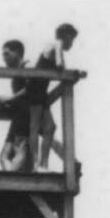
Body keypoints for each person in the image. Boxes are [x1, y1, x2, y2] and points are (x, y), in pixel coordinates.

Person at [28, 23, 79, 170]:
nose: (72, 43)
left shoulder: (57, 46)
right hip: (36, 88)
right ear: (65, 36)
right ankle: (36, 163)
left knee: (50, 127)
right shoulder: (56, 44)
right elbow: (59, 65)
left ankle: (43, 163)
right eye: (71, 39)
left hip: (41, 89)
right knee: (35, 125)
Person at [0, 39, 30, 172]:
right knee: (3, 157)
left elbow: (33, 88)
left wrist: (9, 98)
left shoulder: (27, 66)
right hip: (18, 116)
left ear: (17, 53)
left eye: (6, 54)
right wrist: (6, 102)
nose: (4, 58)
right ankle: (11, 179)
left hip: (26, 116)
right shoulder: (17, 73)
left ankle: (14, 181)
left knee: (18, 152)